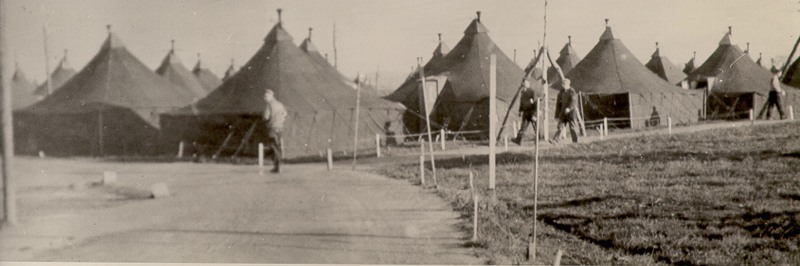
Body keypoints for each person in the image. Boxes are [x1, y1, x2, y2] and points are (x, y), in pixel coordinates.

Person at [546, 48, 579, 144]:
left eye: (565, 84)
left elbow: (573, 101)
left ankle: (575, 141)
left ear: (568, 84)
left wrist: (569, 108)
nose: (563, 85)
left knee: (572, 126)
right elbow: (558, 105)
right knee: (560, 126)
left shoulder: (572, 91)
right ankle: (555, 140)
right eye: (562, 84)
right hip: (563, 113)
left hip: (571, 112)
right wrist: (557, 114)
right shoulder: (560, 93)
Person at [263, 89, 287, 173]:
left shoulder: (269, 105)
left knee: (273, 146)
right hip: (280, 127)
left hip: (273, 127)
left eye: (266, 96)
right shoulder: (280, 104)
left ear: (271, 96)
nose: (264, 98)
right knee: (278, 146)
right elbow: (285, 114)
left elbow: (266, 117)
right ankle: (278, 166)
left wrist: (269, 121)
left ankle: (278, 166)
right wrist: (280, 121)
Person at [512, 79, 538, 145]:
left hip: (531, 112)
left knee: (536, 126)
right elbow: (521, 103)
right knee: (523, 126)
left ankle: (539, 139)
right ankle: (519, 140)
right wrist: (520, 111)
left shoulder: (532, 92)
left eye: (526, 83)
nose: (524, 84)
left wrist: (535, 114)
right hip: (525, 112)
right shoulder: (522, 92)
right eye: (524, 83)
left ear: (529, 83)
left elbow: (535, 103)